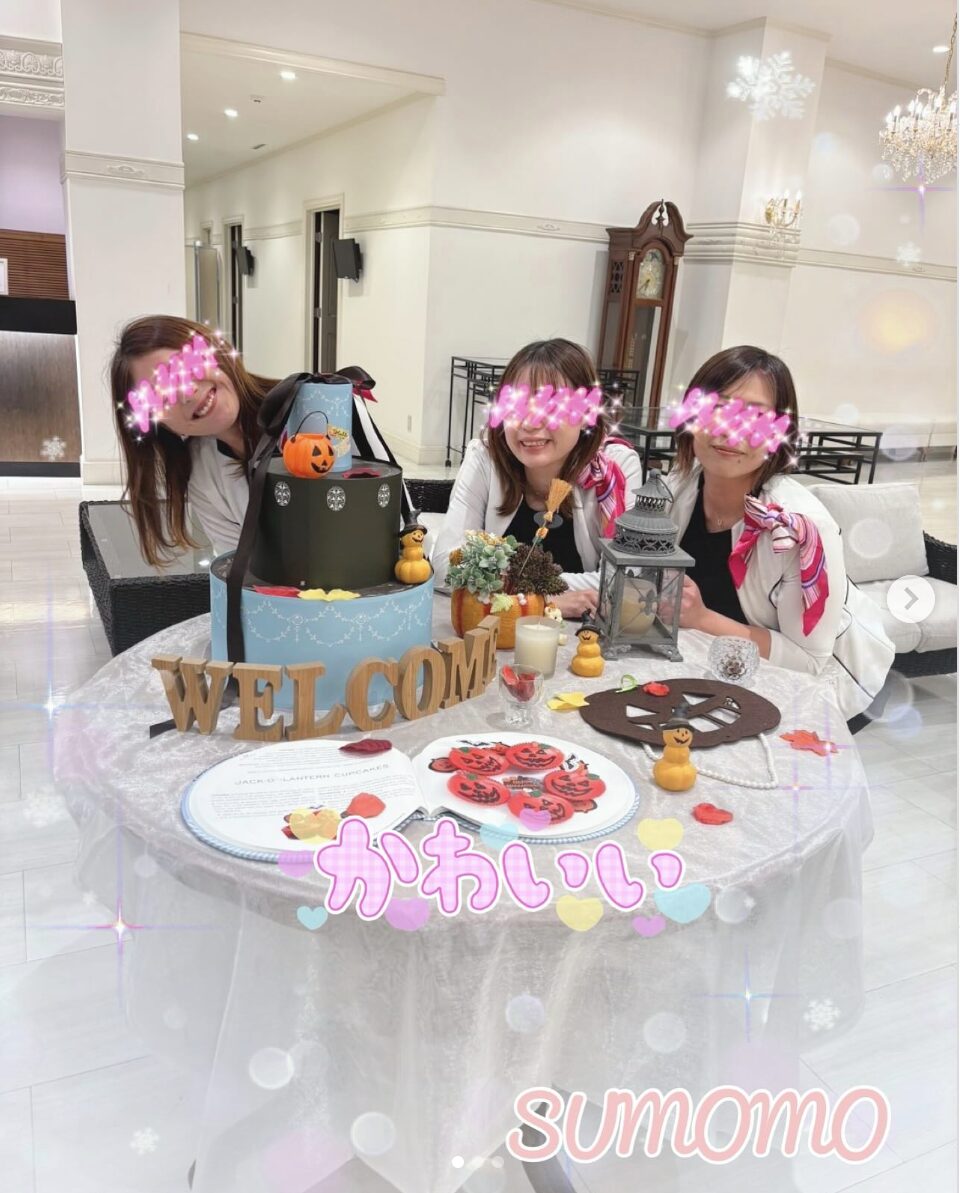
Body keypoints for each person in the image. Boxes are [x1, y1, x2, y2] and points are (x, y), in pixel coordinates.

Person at [663, 345, 894, 719]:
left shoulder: (800, 528)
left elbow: (809, 661)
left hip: (810, 689)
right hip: (711, 671)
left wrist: (702, 619)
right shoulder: (677, 490)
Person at [110, 315, 399, 566]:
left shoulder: (330, 411)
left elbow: (399, 528)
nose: (186, 393)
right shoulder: (202, 472)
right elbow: (240, 571)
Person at [432, 339, 643, 619]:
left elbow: (626, 580)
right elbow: (445, 567)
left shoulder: (615, 467)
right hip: (498, 631)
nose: (530, 423)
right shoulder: (485, 457)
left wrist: (505, 587)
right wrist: (541, 602)